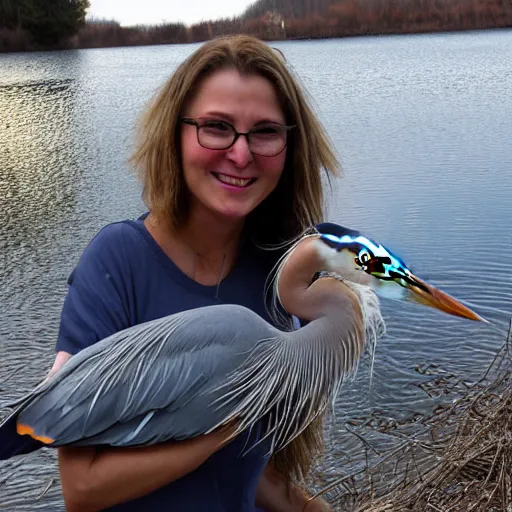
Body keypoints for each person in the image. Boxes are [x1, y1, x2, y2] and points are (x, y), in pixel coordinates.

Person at [49, 34, 340, 511]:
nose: (241, 155)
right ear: (177, 133)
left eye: (265, 131)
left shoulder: (283, 278)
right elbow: (82, 486)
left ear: (290, 145)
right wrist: (221, 424)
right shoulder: (117, 263)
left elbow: (249, 472)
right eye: (216, 127)